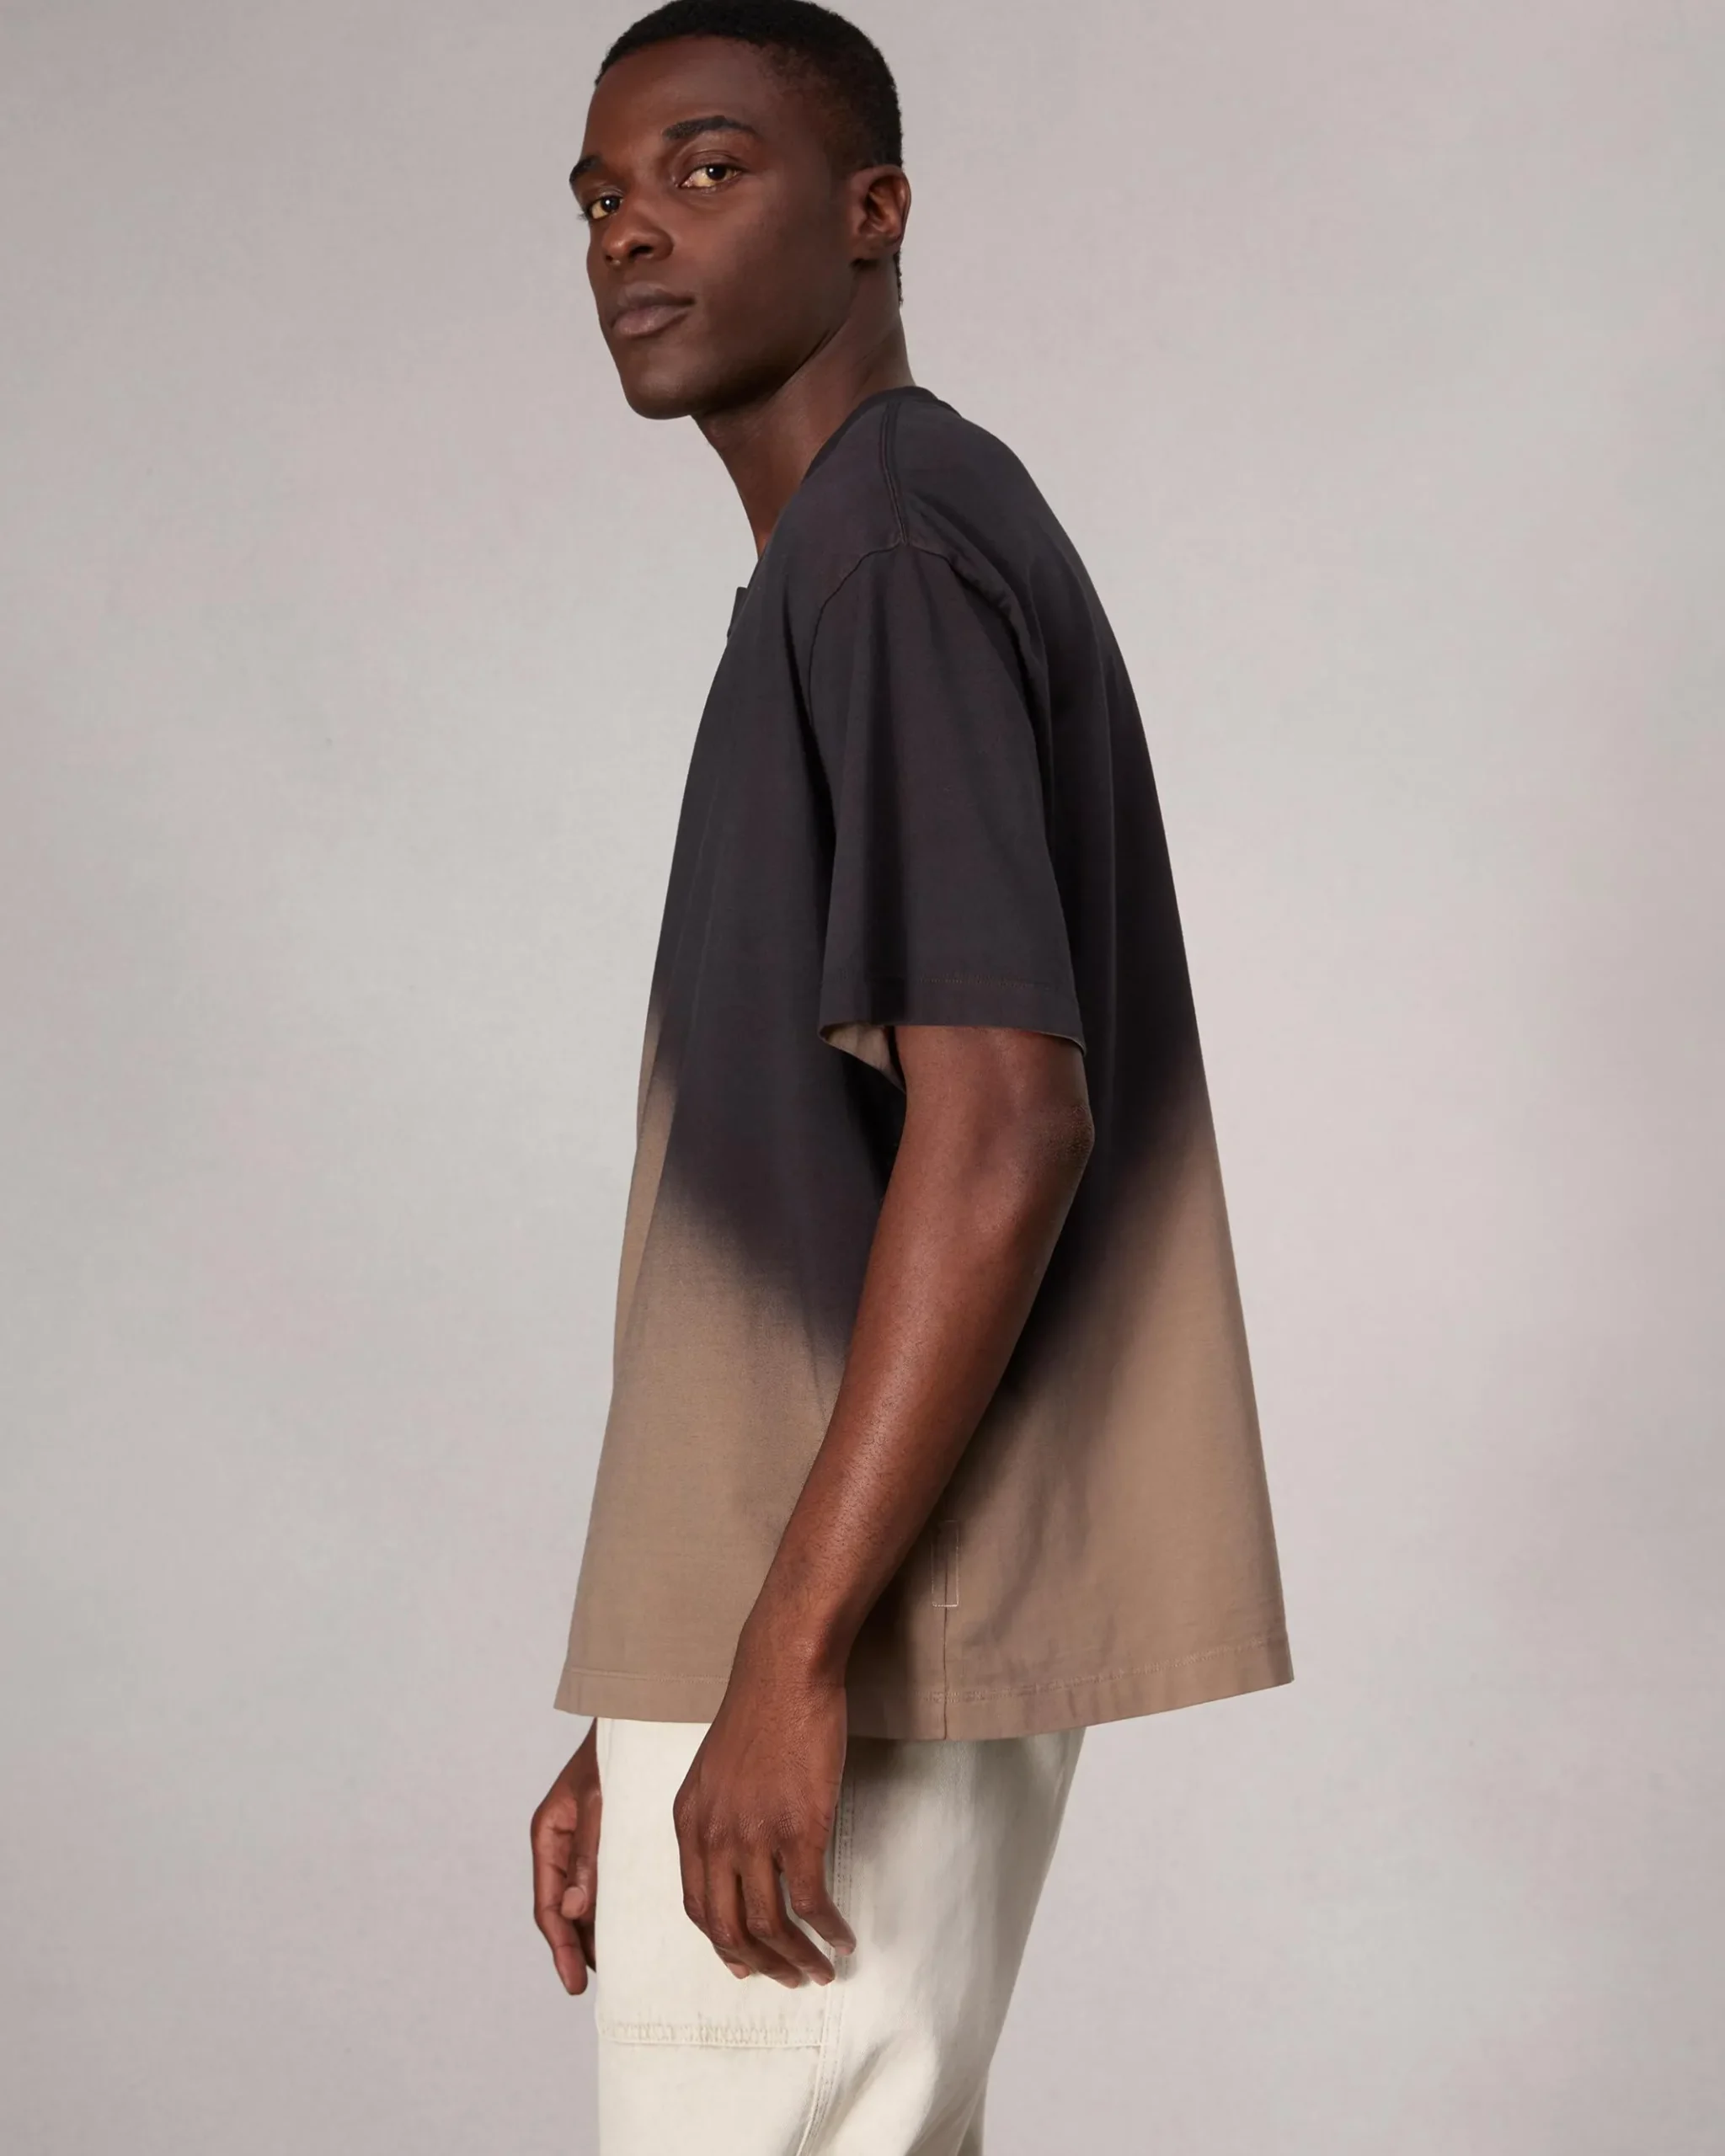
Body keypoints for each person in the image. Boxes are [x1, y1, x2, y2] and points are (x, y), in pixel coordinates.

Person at [529, 4, 1293, 2148]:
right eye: (598, 195)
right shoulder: (854, 554)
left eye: (704, 169)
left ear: (871, 213)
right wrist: (659, 1680)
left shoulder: (886, 554)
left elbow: (1003, 1121)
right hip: (796, 1618)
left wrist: (781, 1657)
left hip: (856, 1637)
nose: (628, 233)